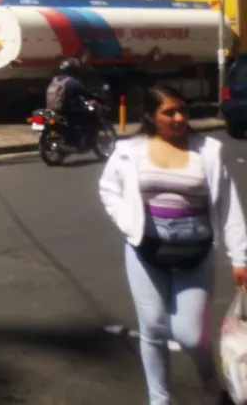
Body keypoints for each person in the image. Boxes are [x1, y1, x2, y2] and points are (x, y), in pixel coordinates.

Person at [99, 85, 247, 405]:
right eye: (169, 112)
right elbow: (109, 189)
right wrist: (128, 224)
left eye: (182, 110)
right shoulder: (129, 151)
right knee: (151, 328)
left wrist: (240, 257)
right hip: (145, 254)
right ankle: (159, 399)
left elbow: (228, 206)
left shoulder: (207, 150)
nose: (178, 117)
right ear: (152, 116)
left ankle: (207, 374)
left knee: (191, 335)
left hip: (196, 254)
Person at [47, 58, 101, 143]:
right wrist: (95, 96)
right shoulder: (73, 82)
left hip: (55, 109)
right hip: (70, 110)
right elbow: (86, 94)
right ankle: (86, 140)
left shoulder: (55, 79)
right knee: (91, 115)